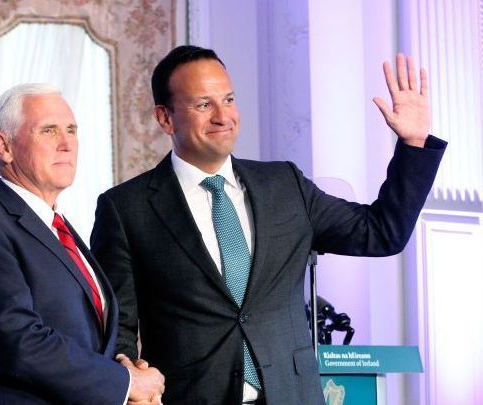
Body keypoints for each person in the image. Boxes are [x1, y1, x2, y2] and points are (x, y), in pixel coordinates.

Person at [90, 46, 446, 405]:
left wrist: (413, 144)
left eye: (228, 99)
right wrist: (127, 373)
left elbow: (381, 233)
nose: (222, 116)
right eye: (203, 105)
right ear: (165, 118)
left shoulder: (284, 184)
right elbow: (117, 323)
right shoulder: (125, 209)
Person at [0, 83, 164, 404]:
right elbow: (18, 343)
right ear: (4, 147)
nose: (66, 143)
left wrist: (127, 370)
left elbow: (87, 337)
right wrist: (126, 383)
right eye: (48, 130)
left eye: (71, 130)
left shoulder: (62, 230)